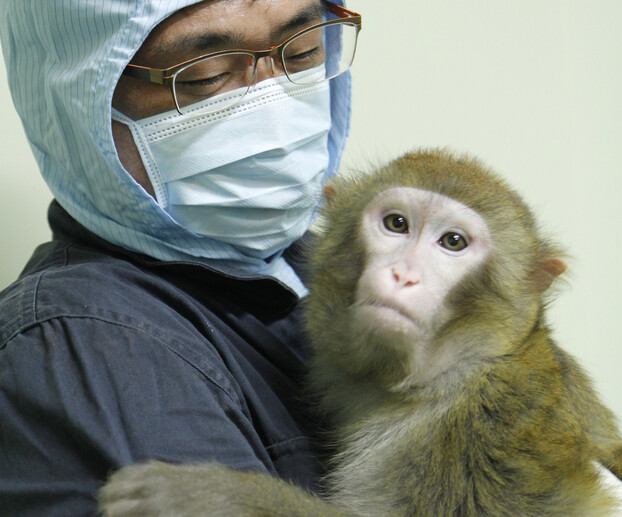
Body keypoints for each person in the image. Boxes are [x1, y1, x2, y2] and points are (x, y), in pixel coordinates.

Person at [0, 0, 361, 515]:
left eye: (302, 52)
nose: (274, 107)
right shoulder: (88, 342)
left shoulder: (325, 262)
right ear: (76, 102)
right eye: (205, 76)